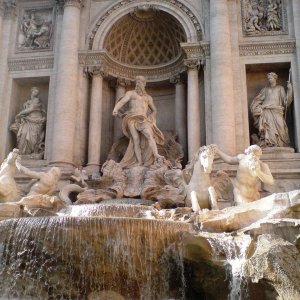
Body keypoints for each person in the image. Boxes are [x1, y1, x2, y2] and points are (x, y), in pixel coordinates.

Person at [112, 76, 164, 168]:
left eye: (140, 82)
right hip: (131, 117)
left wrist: (151, 117)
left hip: (143, 119)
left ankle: (156, 155)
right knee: (135, 140)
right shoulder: (130, 93)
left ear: (144, 84)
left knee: (149, 135)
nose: (138, 84)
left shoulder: (148, 97)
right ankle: (139, 162)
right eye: (137, 82)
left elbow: (154, 110)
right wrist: (116, 108)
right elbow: (123, 101)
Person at [250, 72, 293, 147]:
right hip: (266, 111)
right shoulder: (265, 89)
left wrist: (290, 90)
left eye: (271, 78)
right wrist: (256, 107)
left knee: (281, 127)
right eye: (268, 78)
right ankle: (269, 144)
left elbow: (285, 102)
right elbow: (258, 100)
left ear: (275, 78)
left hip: (277, 110)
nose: (269, 79)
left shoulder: (280, 88)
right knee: (268, 128)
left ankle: (281, 144)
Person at [10, 87, 46, 156]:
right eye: (35, 92)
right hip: (27, 120)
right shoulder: (27, 101)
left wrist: (20, 114)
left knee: (33, 139)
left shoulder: (37, 100)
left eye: (37, 93)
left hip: (36, 120)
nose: (36, 93)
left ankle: (29, 153)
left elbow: (31, 109)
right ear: (31, 92)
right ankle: (22, 152)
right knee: (23, 133)